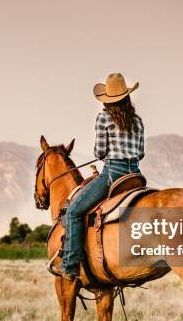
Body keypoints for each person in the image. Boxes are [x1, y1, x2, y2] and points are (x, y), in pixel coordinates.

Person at [57, 73, 145, 281]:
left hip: (113, 174)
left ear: (107, 100)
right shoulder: (138, 121)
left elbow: (99, 152)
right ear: (127, 97)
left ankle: (69, 266)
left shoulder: (103, 118)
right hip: (135, 175)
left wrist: (106, 154)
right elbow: (141, 153)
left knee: (73, 212)